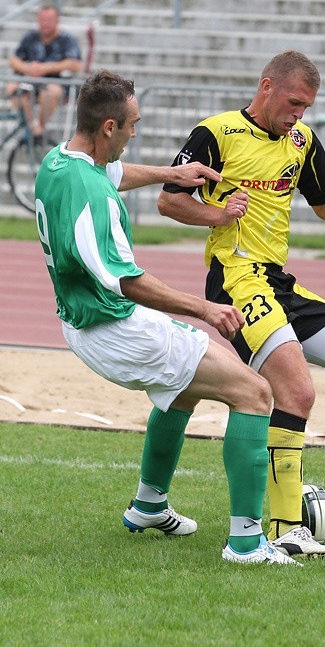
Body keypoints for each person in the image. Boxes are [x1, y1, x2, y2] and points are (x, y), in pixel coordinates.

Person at [157, 50, 325, 559]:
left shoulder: (300, 142)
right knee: (296, 393)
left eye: (307, 106)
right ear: (267, 87)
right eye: (294, 102)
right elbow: (169, 199)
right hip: (236, 280)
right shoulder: (215, 133)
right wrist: (216, 214)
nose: (299, 114)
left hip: (280, 283)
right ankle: (283, 527)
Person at [35, 69, 301, 567]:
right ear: (109, 127)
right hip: (113, 326)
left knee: (183, 388)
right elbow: (126, 280)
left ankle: (149, 506)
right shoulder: (89, 196)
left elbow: (115, 173)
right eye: (132, 124)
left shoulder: (58, 163)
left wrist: (173, 175)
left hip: (83, 321)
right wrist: (205, 308)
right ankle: (246, 543)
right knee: (253, 392)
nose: (137, 132)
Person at [7, 5, 82, 138]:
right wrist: (28, 68)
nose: (44, 23)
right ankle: (32, 127)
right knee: (12, 87)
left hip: (56, 84)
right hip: (31, 83)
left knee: (50, 92)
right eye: (42, 19)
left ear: (57, 21)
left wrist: (45, 68)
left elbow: (75, 64)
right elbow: (14, 60)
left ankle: (40, 128)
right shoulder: (31, 36)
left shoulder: (67, 39)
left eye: (48, 20)